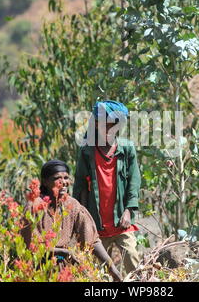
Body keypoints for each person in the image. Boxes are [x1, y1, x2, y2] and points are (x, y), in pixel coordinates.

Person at [20, 159, 122, 282]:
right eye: (57, 178)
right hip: (37, 270)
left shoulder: (71, 205)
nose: (63, 182)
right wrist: (63, 252)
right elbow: (31, 248)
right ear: (45, 182)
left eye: (66, 178)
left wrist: (112, 269)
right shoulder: (34, 206)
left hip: (64, 272)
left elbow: (93, 240)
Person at [73, 100, 141, 275]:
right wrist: (81, 219)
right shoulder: (87, 151)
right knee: (99, 271)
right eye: (107, 125)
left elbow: (134, 181)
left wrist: (128, 210)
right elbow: (80, 184)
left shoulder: (127, 149)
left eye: (115, 125)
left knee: (133, 260)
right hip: (97, 226)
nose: (111, 130)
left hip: (121, 222)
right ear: (96, 124)